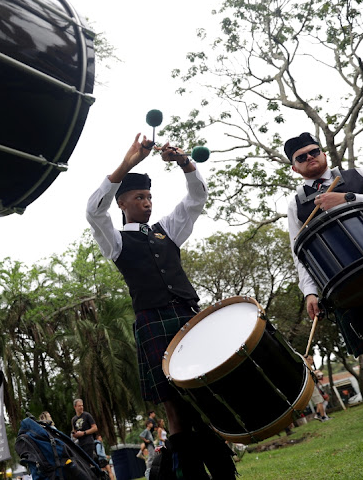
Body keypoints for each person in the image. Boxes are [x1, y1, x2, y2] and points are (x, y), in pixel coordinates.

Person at [86, 134, 236, 479]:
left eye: (150, 196)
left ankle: (225, 472)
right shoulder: (116, 242)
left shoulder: (166, 230)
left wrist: (184, 162)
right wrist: (127, 165)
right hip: (152, 321)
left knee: (204, 395)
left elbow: (197, 197)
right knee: (174, 407)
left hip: (188, 316)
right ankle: (190, 475)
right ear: (122, 203)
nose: (147, 202)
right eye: (139, 197)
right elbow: (93, 210)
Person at [285, 132, 363, 372]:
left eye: (314, 151)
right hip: (347, 289)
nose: (310, 157)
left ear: (323, 153)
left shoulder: (360, 175)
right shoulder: (295, 205)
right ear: (295, 168)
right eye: (301, 157)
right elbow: (299, 253)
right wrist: (309, 292)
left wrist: (350, 198)